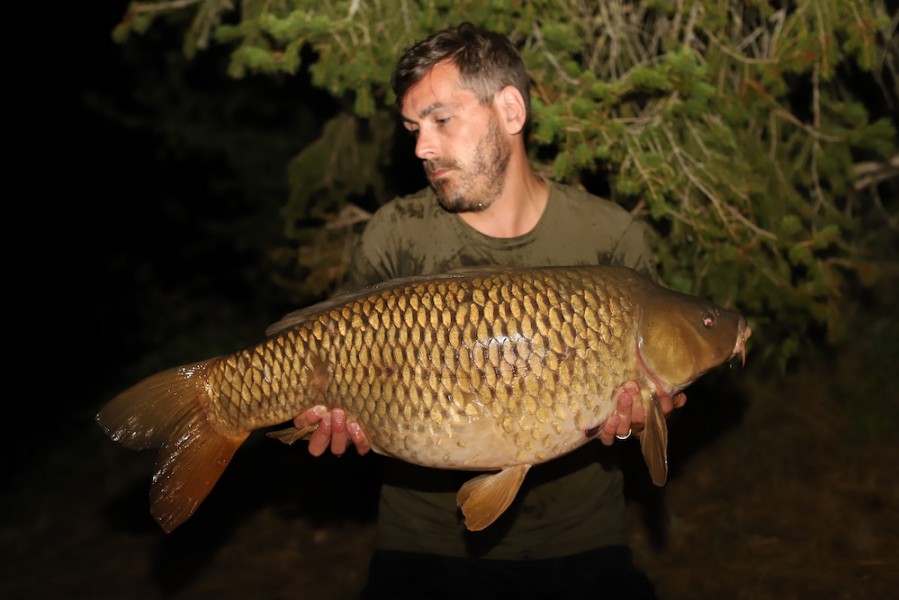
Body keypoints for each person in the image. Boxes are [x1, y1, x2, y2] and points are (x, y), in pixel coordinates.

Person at [293, 22, 686, 599]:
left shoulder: (610, 237)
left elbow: (656, 378)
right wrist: (338, 419)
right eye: (413, 128)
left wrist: (649, 413)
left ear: (510, 109)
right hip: (421, 545)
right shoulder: (396, 235)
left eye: (441, 120)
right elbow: (344, 380)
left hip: (581, 543)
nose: (421, 147)